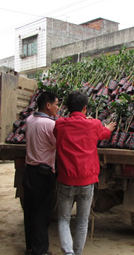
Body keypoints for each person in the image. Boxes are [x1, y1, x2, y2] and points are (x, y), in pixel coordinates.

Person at [53, 91, 117, 255]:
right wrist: (108, 127)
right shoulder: (94, 124)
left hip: (66, 180)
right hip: (87, 181)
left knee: (64, 219)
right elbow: (105, 133)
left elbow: (56, 133)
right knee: (82, 221)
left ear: (67, 108)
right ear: (85, 108)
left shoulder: (60, 124)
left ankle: (68, 253)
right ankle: (77, 252)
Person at [23, 92, 59, 255]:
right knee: (42, 212)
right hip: (43, 174)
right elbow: (57, 144)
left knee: (30, 210)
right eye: (56, 104)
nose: (58, 108)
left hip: (29, 171)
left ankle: (30, 246)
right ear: (48, 106)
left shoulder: (29, 120)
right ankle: (40, 251)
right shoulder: (50, 125)